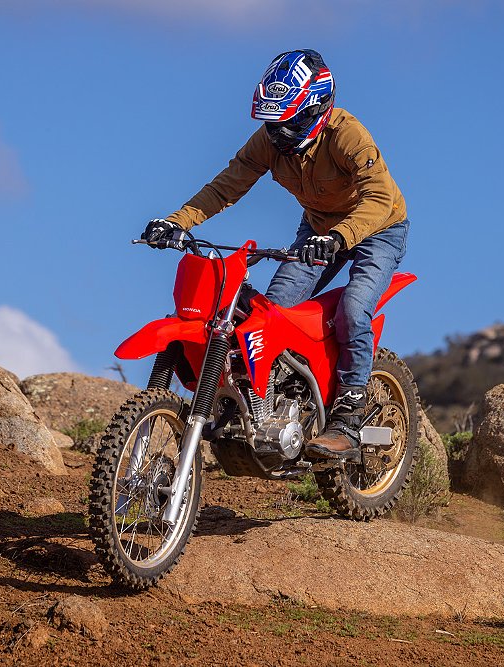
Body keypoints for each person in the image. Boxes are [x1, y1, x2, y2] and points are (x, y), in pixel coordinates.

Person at [142, 49, 409, 460]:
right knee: (273, 312)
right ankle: (279, 406)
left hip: (378, 227)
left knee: (355, 307)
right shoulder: (270, 139)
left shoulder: (347, 134)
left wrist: (339, 237)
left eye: (290, 121)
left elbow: (378, 196)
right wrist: (178, 222)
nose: (280, 132)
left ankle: (349, 415)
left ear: (316, 107)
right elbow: (226, 185)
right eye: (273, 121)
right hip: (319, 228)